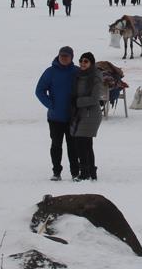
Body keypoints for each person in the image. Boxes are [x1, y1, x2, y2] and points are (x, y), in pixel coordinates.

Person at [35, 46, 80, 181]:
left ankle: (75, 173)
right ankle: (56, 172)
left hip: (73, 117)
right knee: (56, 145)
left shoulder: (77, 72)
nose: (64, 58)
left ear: (71, 57)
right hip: (55, 118)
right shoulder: (50, 72)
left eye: (66, 56)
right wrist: (51, 105)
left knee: (73, 147)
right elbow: (39, 91)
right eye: (62, 56)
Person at [70, 52, 103, 181]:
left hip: (91, 114)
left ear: (91, 63)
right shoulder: (79, 75)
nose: (83, 63)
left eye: (86, 61)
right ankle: (91, 173)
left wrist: (77, 102)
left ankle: (85, 173)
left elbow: (95, 98)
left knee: (82, 143)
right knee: (85, 144)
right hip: (81, 113)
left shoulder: (95, 77)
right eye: (81, 61)